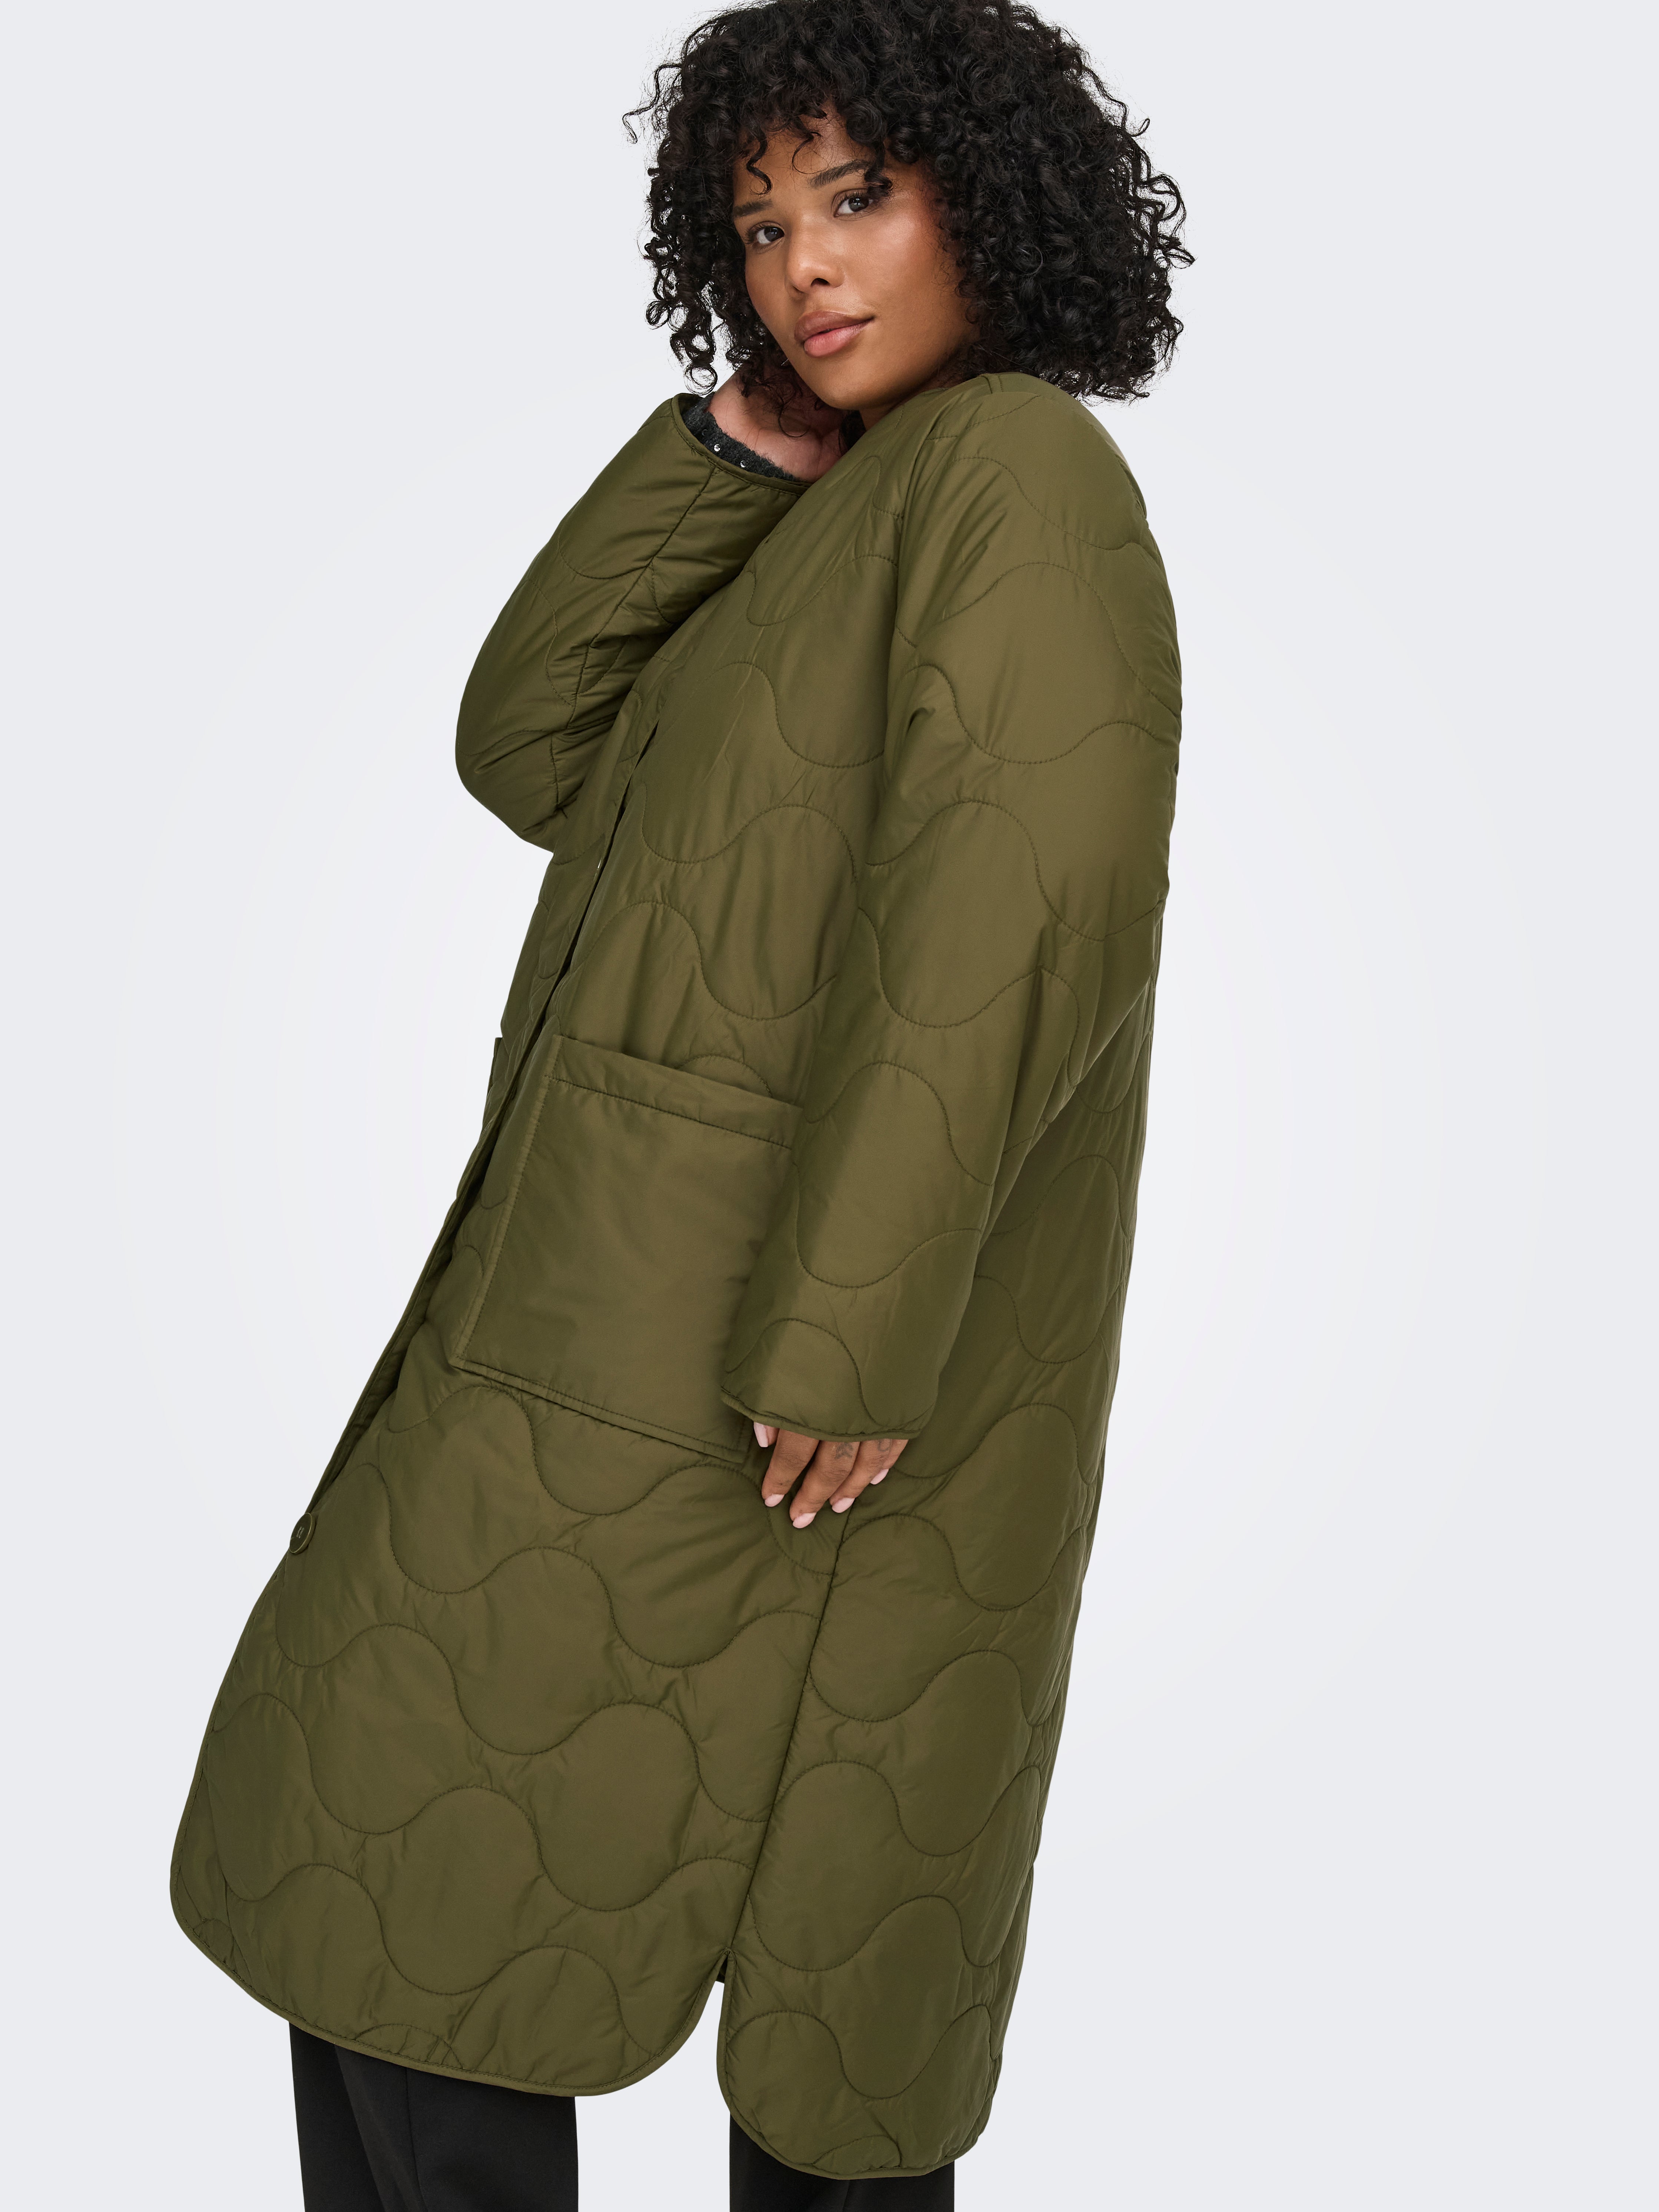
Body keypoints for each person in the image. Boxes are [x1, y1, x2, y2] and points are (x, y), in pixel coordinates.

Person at [171, 1, 1189, 2203]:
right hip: (603, 1334)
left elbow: (1015, 912)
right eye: (756, 226)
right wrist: (734, 451)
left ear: (993, 198)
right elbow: (538, 743)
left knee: (475, 1908)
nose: (802, 265)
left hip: (758, 1374)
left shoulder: (1018, 476)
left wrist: (852, 1331)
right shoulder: (844, 508)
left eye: (857, 196)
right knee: (387, 1885)